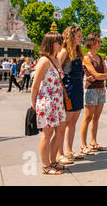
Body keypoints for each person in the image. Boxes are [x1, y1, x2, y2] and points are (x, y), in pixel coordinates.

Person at [31, 32, 67, 175]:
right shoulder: (44, 61)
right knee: (47, 134)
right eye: (59, 42)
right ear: (51, 43)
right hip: (47, 101)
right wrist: (33, 102)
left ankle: (53, 161)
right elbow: (35, 84)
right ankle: (46, 166)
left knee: (59, 131)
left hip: (58, 101)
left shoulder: (57, 60)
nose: (61, 45)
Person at [56, 26, 88, 164]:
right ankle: (59, 153)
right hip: (68, 89)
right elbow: (56, 71)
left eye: (81, 36)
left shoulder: (77, 52)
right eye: (78, 36)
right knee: (64, 123)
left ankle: (68, 150)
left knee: (73, 122)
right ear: (70, 37)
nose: (81, 38)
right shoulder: (64, 52)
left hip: (77, 88)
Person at [80, 33, 107, 155]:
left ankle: (93, 142)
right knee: (87, 118)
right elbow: (99, 75)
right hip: (91, 89)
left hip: (101, 88)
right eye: (98, 41)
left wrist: (99, 76)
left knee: (96, 118)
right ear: (91, 42)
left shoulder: (101, 58)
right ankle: (83, 145)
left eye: (100, 41)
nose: (100, 43)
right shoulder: (86, 58)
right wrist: (100, 76)